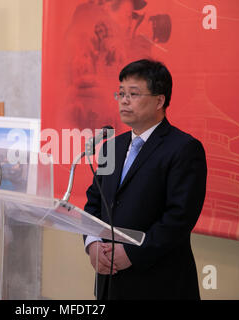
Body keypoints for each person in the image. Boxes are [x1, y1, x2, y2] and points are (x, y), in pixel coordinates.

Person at [83, 59, 207, 299]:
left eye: (134, 94)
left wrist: (131, 254)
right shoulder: (112, 147)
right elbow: (94, 202)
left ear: (160, 100)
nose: (124, 100)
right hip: (110, 281)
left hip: (159, 281)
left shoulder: (184, 149)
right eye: (120, 93)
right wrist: (92, 243)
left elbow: (179, 218)